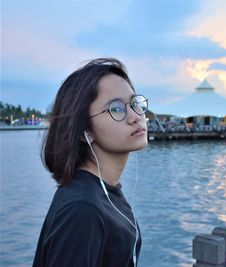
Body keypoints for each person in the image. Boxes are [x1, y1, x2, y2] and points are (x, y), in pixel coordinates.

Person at [33, 58, 148, 267]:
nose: (135, 116)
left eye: (135, 103)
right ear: (85, 129)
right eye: (116, 109)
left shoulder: (105, 192)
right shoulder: (82, 208)